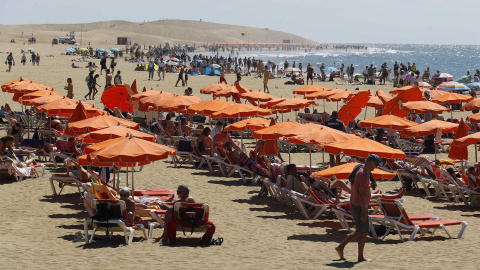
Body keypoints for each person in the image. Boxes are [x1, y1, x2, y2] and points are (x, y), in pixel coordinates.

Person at [336, 154, 380, 262]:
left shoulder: (361, 169)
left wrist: (371, 185)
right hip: (359, 206)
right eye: (375, 164)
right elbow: (361, 194)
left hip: (356, 204)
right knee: (363, 232)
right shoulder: (364, 174)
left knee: (360, 231)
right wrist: (364, 213)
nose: (376, 167)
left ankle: (341, 247)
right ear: (370, 162)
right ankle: (359, 257)